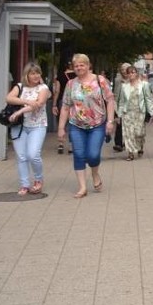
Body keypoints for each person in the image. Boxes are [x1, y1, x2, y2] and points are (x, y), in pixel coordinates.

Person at [57, 53, 115, 198]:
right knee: (79, 154)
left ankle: (95, 173)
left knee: (93, 155)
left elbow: (110, 100)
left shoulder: (100, 80)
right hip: (76, 125)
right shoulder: (71, 84)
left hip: (97, 124)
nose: (79, 68)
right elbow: (65, 106)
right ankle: (82, 187)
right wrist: (61, 128)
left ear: (88, 66)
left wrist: (110, 121)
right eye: (76, 66)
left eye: (82, 65)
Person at [5, 62, 51, 195]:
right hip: (19, 126)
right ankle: (24, 184)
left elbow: (39, 103)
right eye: (33, 73)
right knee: (21, 156)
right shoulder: (19, 87)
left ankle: (38, 179)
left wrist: (19, 112)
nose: (36, 76)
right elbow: (9, 98)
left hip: (37, 126)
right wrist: (26, 101)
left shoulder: (43, 88)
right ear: (27, 75)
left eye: (38, 73)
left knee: (33, 154)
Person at [117, 65, 153, 161]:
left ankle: (140, 145)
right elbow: (121, 102)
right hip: (127, 113)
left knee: (139, 133)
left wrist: (151, 113)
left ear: (137, 73)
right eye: (129, 73)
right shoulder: (124, 86)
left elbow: (148, 99)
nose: (131, 74)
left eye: (133, 72)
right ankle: (130, 153)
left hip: (140, 113)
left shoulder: (144, 85)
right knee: (128, 133)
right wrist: (119, 115)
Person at [51, 60, 76, 154]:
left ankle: (60, 143)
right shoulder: (77, 76)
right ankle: (71, 145)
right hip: (75, 101)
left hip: (63, 100)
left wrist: (54, 104)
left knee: (62, 122)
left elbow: (57, 91)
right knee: (72, 123)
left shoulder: (60, 76)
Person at [111, 62, 130, 152]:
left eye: (126, 69)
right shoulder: (118, 80)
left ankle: (127, 141)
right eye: (122, 69)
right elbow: (115, 93)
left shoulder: (133, 79)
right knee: (119, 124)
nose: (124, 71)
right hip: (120, 105)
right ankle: (118, 144)